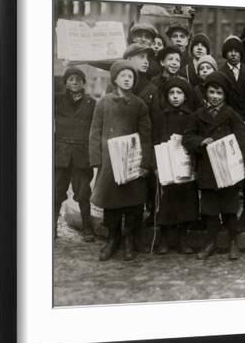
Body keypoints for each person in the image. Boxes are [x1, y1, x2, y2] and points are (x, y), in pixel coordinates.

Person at [183, 72, 245, 260]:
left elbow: (242, 139)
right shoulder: (197, 115)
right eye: (212, 92)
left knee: (230, 208)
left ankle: (233, 242)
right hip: (207, 168)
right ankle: (211, 243)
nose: (215, 96)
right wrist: (200, 141)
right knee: (210, 210)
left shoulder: (231, 115)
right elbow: (187, 138)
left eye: (219, 93)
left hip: (228, 168)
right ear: (206, 93)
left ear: (225, 96)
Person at [89, 60, 153, 261]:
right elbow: (95, 131)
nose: (127, 80)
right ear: (115, 79)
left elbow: (146, 135)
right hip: (110, 162)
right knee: (111, 203)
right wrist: (96, 160)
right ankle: (113, 238)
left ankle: (128, 240)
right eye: (123, 76)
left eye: (131, 77)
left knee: (133, 204)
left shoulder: (139, 104)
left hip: (132, 161)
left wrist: (144, 163)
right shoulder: (104, 103)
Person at [151, 77, 199, 254]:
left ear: (185, 96)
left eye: (179, 93)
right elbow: (155, 140)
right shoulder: (161, 116)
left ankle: (183, 239)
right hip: (166, 164)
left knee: (186, 201)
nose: (175, 97)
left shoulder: (191, 116)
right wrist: (155, 165)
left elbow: (193, 137)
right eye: (172, 93)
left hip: (184, 164)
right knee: (167, 201)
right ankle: (164, 239)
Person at [218, 35, 245, 228]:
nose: (233, 54)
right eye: (230, 51)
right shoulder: (221, 72)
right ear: (225, 53)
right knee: (230, 166)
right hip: (227, 125)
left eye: (236, 51)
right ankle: (229, 211)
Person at [54, 67, 96, 242]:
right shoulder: (55, 100)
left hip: (81, 154)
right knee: (56, 192)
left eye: (78, 79)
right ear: (65, 82)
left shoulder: (91, 103)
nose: (75, 82)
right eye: (71, 79)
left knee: (83, 193)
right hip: (60, 154)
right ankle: (51, 228)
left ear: (84, 82)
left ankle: (87, 228)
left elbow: (95, 129)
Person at [123, 43, 157, 109]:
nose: (146, 61)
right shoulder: (115, 85)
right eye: (141, 57)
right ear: (129, 59)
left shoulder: (152, 89)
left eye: (147, 58)